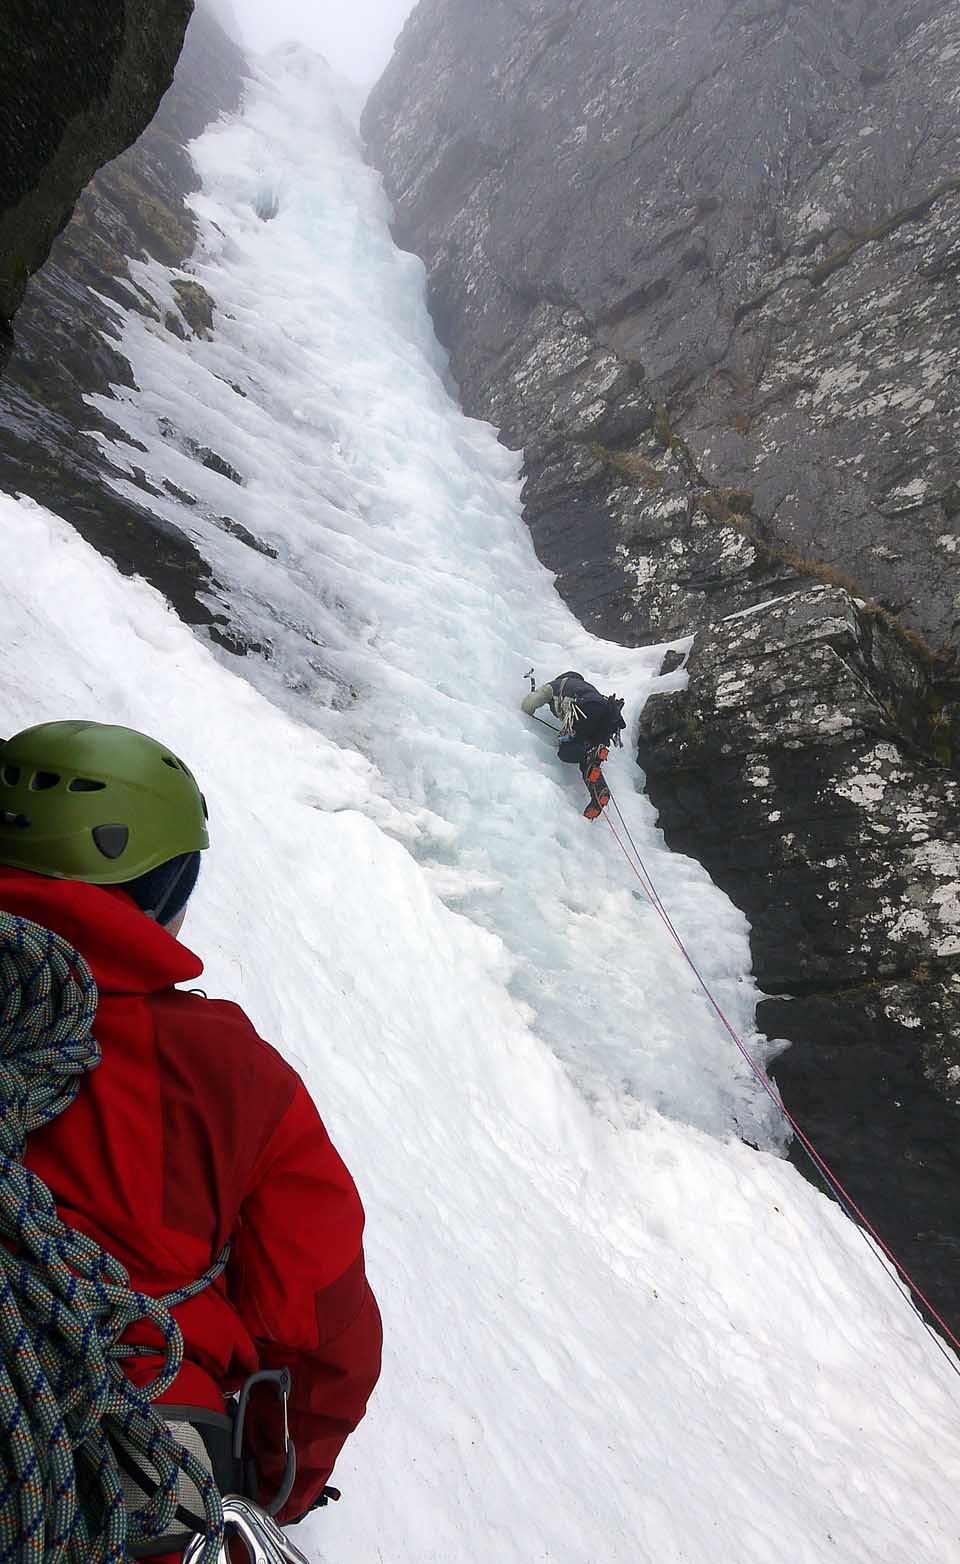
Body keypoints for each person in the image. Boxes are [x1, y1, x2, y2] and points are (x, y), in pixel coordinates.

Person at [0, 719, 382, 1559]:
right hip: (132, 1447)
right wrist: (281, 1483)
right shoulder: (227, 1070)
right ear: (163, 887)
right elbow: (322, 1324)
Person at [521, 671, 626, 818]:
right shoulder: (587, 687)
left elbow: (528, 704)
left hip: (584, 711)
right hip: (608, 717)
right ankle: (598, 791)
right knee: (588, 758)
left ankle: (591, 753)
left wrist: (526, 712)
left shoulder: (556, 685)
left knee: (566, 751)